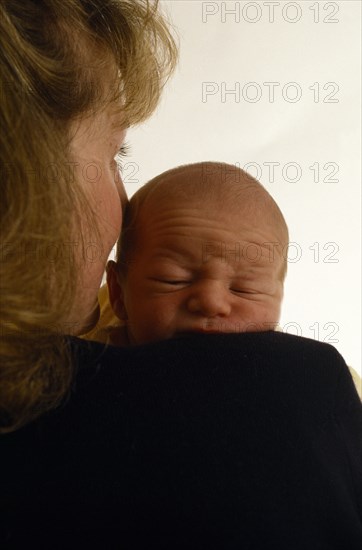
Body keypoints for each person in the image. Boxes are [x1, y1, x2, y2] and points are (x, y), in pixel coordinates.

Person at [1, 1, 361, 548]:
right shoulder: (301, 391)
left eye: (245, 287)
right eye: (113, 153)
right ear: (25, 176)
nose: (213, 304)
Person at [105, 161, 289, 346]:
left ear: (280, 298)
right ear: (118, 293)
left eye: (245, 288)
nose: (211, 302)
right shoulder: (85, 361)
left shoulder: (289, 366)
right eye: (174, 280)